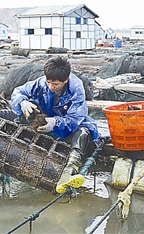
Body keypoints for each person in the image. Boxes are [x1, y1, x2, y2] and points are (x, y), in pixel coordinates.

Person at [11, 56, 100, 194]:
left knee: (84, 132)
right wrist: (22, 101)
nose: (51, 87)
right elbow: (18, 92)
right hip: (44, 123)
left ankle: (69, 171)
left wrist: (55, 122)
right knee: (28, 106)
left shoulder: (76, 89)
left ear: (66, 80)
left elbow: (75, 118)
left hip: (67, 127)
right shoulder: (41, 84)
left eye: (56, 84)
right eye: (49, 82)